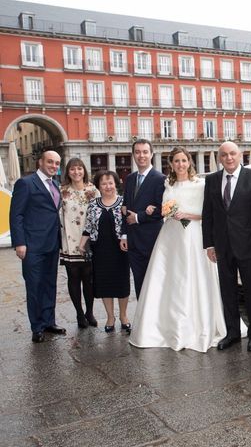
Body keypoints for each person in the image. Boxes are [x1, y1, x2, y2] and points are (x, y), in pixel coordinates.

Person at [130, 147, 228, 352]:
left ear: (189, 162)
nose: (180, 164)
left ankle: (196, 327)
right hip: (170, 237)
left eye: (184, 160)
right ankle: (163, 327)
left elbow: (208, 213)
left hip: (193, 236)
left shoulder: (200, 184)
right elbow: (163, 208)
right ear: (171, 164)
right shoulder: (168, 183)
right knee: (169, 279)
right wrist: (162, 211)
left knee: (193, 278)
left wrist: (187, 215)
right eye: (176, 161)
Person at [202, 141, 251, 352]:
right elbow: (208, 214)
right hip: (222, 245)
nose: (228, 158)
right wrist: (209, 244)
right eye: (224, 155)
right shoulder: (211, 180)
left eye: (232, 154)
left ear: (240, 155)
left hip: (248, 245)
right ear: (219, 158)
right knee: (227, 291)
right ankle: (232, 333)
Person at [10, 150, 67, 343]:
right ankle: (37, 327)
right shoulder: (25, 183)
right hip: (32, 246)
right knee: (34, 286)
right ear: (40, 162)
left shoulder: (56, 184)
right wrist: (19, 243)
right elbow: (16, 215)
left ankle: (49, 321)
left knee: (50, 285)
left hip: (52, 244)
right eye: (50, 162)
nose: (54, 166)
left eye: (57, 163)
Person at [80, 171, 130, 332]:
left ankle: (123, 315)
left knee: (122, 284)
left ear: (116, 184)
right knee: (104, 284)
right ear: (99, 187)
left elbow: (130, 224)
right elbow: (88, 227)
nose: (108, 186)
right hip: (100, 250)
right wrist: (81, 245)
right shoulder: (93, 204)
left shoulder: (124, 202)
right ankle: (110, 317)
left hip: (120, 250)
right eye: (104, 183)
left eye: (110, 183)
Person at [120, 139, 165, 299]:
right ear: (133, 155)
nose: (141, 155)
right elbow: (125, 207)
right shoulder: (130, 178)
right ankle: (142, 319)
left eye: (145, 152)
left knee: (154, 283)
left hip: (151, 241)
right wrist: (124, 235)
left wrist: (139, 217)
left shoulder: (160, 178)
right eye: (137, 152)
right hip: (132, 242)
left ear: (151, 154)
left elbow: (162, 210)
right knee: (139, 283)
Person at [59, 158, 99, 328]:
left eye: (79, 169)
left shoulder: (93, 190)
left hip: (88, 240)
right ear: (68, 172)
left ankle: (90, 312)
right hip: (69, 239)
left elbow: (99, 213)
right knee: (73, 278)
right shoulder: (61, 191)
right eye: (73, 169)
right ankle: (79, 314)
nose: (76, 172)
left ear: (84, 170)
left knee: (89, 279)